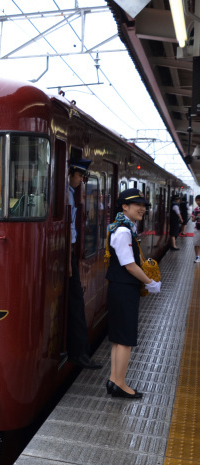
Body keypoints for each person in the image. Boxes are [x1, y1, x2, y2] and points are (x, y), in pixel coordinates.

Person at [105, 189, 161, 399]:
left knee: (119, 338)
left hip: (120, 288)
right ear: (124, 207)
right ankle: (119, 383)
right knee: (126, 338)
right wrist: (151, 282)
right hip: (124, 289)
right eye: (138, 204)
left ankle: (114, 379)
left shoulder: (122, 227)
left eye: (144, 205)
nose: (143, 208)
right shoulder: (123, 231)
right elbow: (129, 265)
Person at [67, 158, 101, 369]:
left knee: (75, 301)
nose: (81, 180)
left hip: (69, 252)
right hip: (67, 253)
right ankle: (78, 353)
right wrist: (68, 260)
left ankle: (78, 351)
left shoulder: (69, 193)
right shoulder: (66, 193)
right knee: (76, 302)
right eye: (79, 176)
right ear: (70, 174)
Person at [192, 194, 200, 263]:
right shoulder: (195, 210)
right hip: (197, 228)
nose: (198, 202)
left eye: (199, 200)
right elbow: (192, 219)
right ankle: (197, 257)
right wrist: (197, 217)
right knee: (196, 243)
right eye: (197, 200)